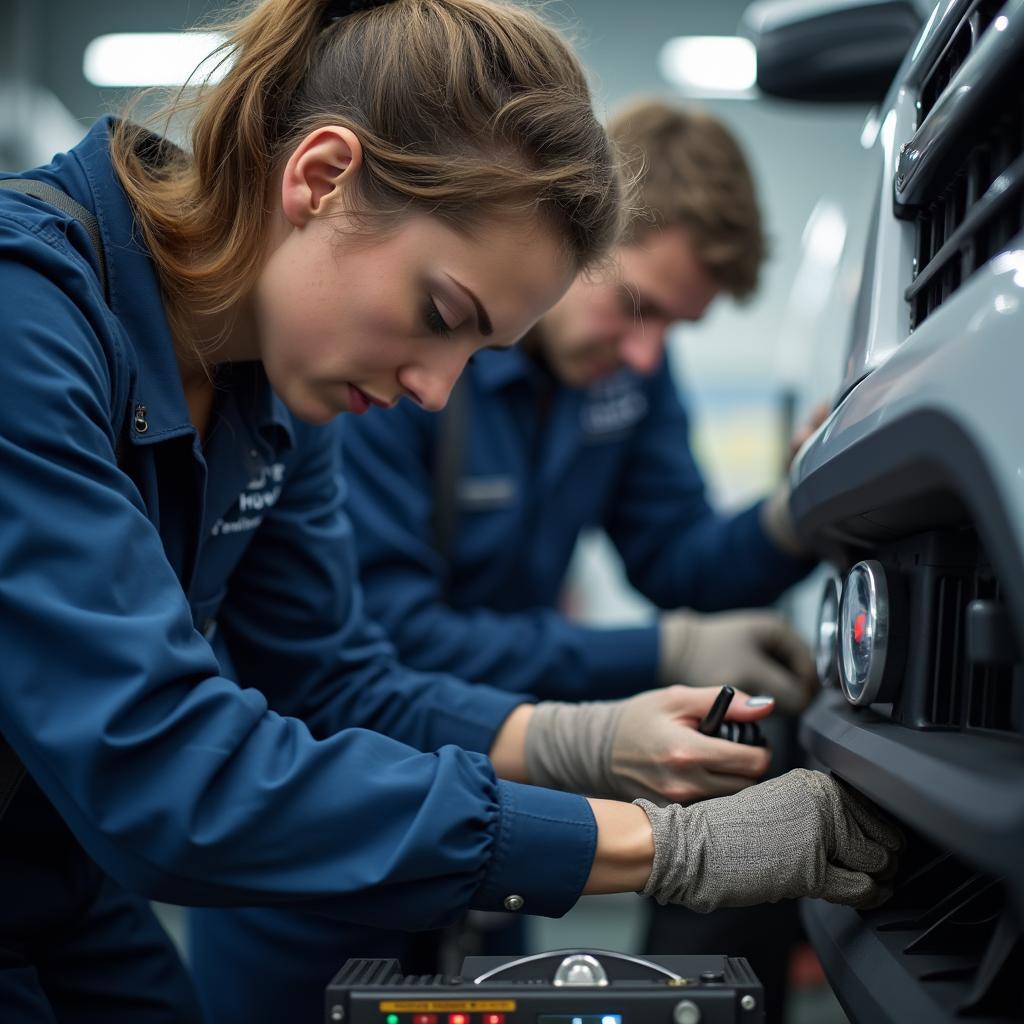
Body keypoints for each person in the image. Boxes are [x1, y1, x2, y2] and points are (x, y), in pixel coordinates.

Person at [0, 4, 900, 1024]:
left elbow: (336, 681)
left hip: (61, 876)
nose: (435, 391)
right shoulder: (26, 317)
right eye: (442, 316)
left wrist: (583, 738)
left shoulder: (276, 389)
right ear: (321, 178)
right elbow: (159, 766)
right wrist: (665, 847)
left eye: (480, 352)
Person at [331, 99, 823, 1023]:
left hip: (494, 814)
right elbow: (393, 643)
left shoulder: (628, 371)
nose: (647, 354)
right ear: (572, 241)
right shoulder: (415, 355)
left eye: (675, 328)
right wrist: (663, 654)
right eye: (636, 308)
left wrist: (797, 516)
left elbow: (679, 558)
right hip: (344, 815)